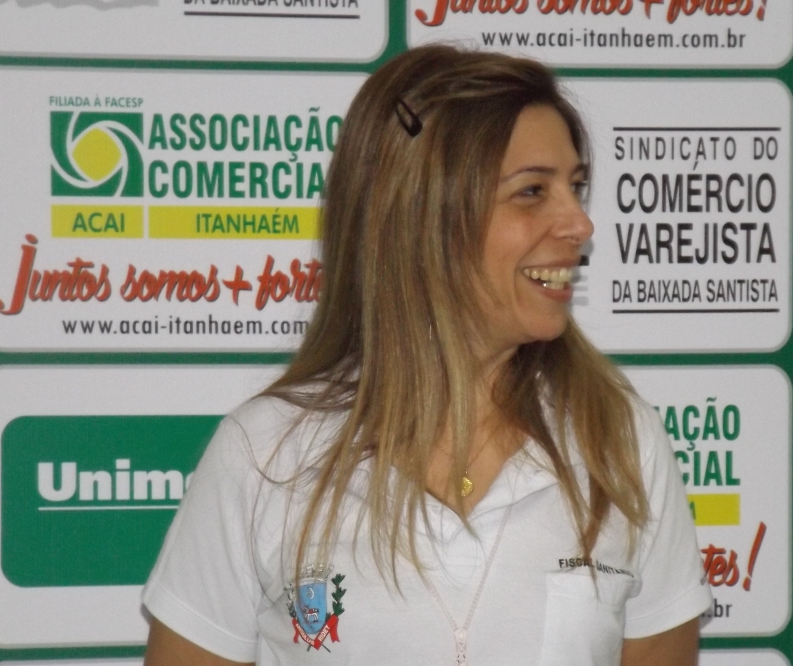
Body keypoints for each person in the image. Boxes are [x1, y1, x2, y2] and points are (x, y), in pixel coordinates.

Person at [142, 44, 711, 666]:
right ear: (421, 215)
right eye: (532, 192)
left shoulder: (620, 441)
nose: (579, 223)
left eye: (575, 187)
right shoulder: (266, 455)